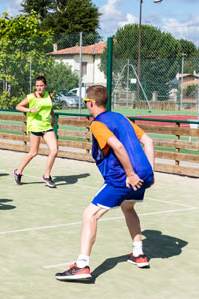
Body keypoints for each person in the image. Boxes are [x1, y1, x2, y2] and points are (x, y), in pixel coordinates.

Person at [55, 85, 155, 281]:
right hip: (142, 176)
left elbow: (117, 146)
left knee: (89, 215)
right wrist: (148, 172)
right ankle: (138, 254)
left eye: (86, 102)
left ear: (90, 103)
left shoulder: (97, 124)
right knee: (128, 208)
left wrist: (130, 173)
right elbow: (149, 142)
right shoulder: (121, 118)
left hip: (122, 178)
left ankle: (82, 265)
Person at [12, 74, 59, 188]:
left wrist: (54, 118)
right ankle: (18, 172)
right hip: (35, 127)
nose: (39, 88)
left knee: (54, 151)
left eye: (41, 85)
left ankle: (46, 176)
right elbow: (18, 106)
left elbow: (50, 107)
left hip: (47, 126)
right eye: (37, 85)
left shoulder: (49, 95)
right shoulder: (31, 97)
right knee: (34, 152)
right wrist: (30, 110)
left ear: (45, 86)